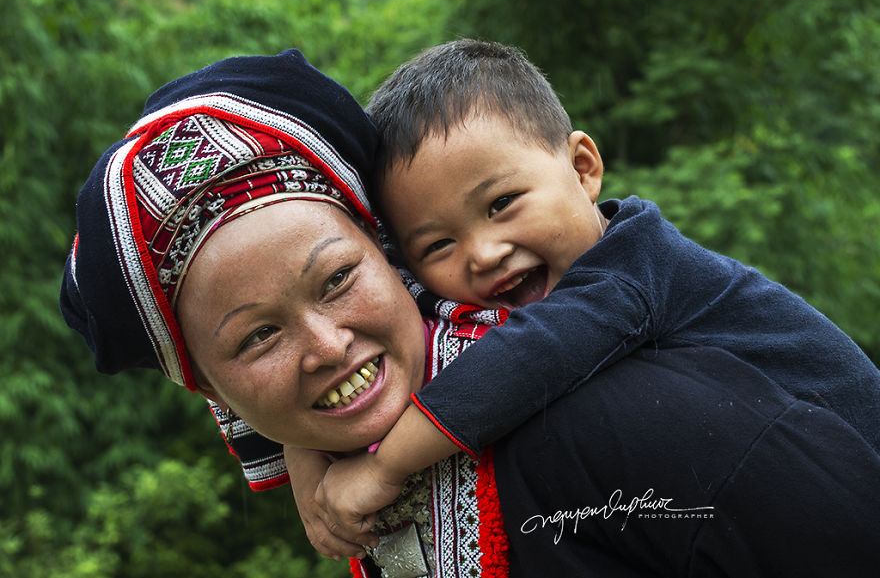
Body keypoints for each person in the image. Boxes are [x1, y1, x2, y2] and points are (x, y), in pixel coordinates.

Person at [59, 49, 880, 578]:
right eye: (258, 336)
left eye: (338, 277)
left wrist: (378, 466)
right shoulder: (456, 328)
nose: (328, 345)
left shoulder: (613, 380)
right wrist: (306, 468)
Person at [314, 38, 880, 548]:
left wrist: (385, 468)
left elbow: (531, 355)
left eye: (502, 203)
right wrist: (305, 457)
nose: (482, 254)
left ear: (583, 169)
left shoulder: (633, 266)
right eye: (438, 245)